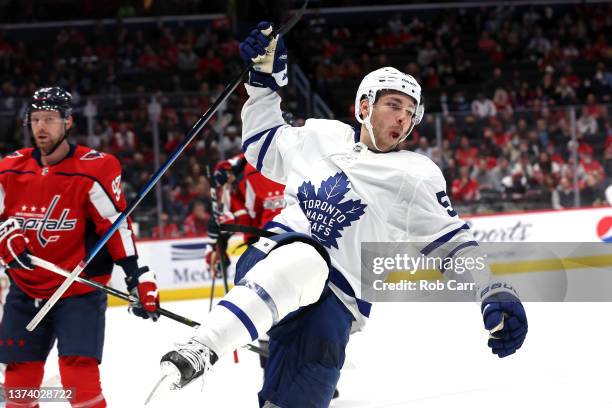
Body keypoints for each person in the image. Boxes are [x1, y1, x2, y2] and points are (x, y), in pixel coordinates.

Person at [157, 23, 528, 407]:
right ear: (364, 106)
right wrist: (262, 84)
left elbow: (453, 244)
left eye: (410, 113)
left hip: (338, 304)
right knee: (306, 259)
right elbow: (261, 145)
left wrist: (493, 289)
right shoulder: (320, 135)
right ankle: (203, 346)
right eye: (393, 105)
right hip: (274, 255)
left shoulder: (416, 174)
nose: (403, 119)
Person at [0, 87, 160, 408]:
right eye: (35, 119)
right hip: (25, 290)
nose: (41, 127)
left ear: (68, 122)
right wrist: (4, 236)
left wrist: (136, 275)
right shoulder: (9, 169)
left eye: (50, 119)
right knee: (19, 383)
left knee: (79, 379)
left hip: (77, 290)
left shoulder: (94, 168)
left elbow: (114, 226)